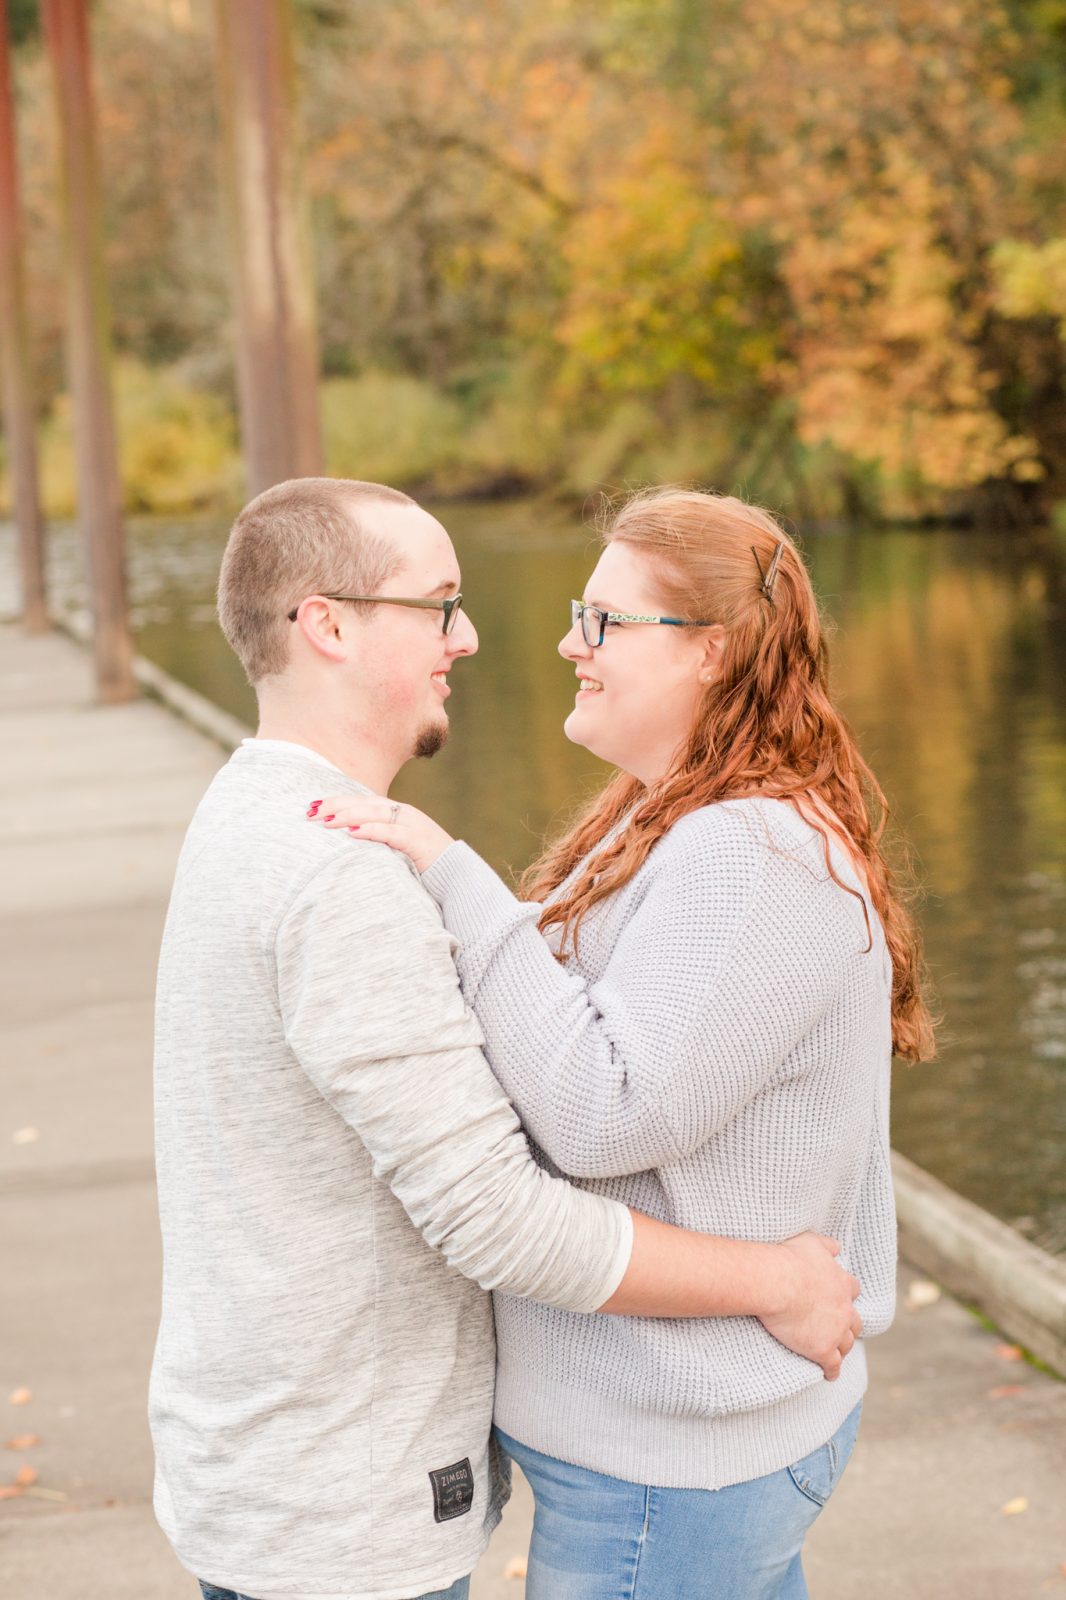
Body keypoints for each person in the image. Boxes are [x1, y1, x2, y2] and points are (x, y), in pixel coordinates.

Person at [151, 478, 862, 1600]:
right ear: (327, 624)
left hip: (299, 1475)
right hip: (338, 1509)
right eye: (439, 604)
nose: (471, 637)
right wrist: (772, 1276)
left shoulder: (251, 813)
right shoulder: (341, 876)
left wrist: (449, 874)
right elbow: (498, 1213)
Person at [316, 487, 937, 1600]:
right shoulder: (667, 812)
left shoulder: (751, 850)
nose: (567, 641)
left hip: (674, 1475)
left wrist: (452, 877)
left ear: (713, 651)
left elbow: (604, 1107)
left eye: (602, 621)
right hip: (668, 1460)